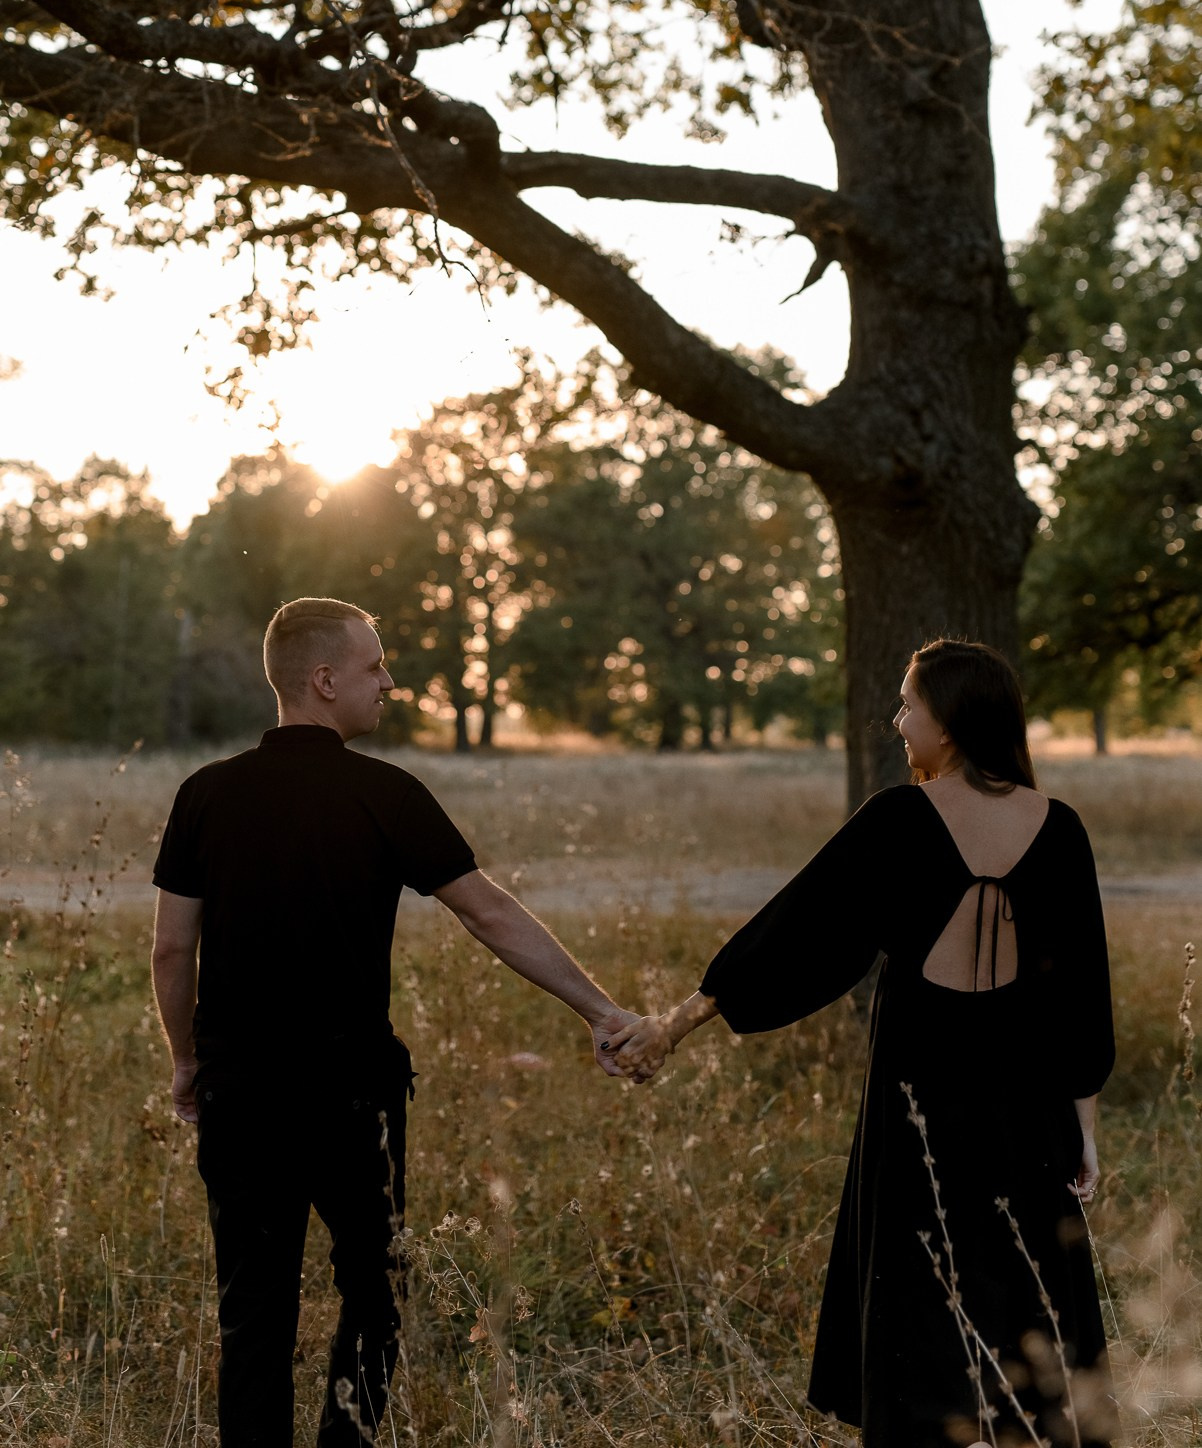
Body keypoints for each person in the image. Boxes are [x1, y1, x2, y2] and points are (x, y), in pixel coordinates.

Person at [151, 596, 640, 1448]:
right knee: (376, 1296)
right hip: (352, 1099)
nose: (390, 681)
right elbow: (487, 913)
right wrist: (599, 1010)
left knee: (253, 1311)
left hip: (241, 1096)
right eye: (375, 666)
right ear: (324, 678)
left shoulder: (205, 795)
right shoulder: (386, 794)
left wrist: (188, 1062)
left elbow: (169, 951)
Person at [610, 638, 1117, 1448]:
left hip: (918, 1108)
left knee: (920, 1297)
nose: (896, 720)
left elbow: (792, 936)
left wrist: (672, 1025)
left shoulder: (898, 820)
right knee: (1025, 1296)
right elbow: (1081, 1002)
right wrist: (1084, 1129)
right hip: (1027, 1115)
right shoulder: (1061, 830)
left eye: (909, 705)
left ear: (947, 722)